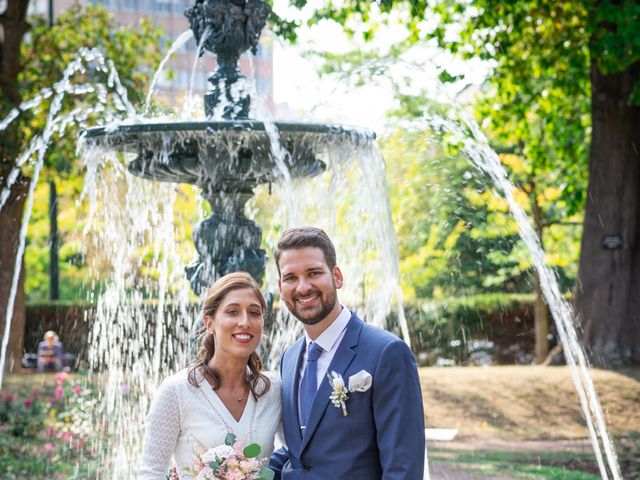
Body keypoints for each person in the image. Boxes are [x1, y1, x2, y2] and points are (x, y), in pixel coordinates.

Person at [269, 226, 425, 479]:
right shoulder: (289, 357)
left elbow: (403, 467)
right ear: (280, 286)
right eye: (291, 278)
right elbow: (298, 451)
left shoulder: (387, 353)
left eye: (314, 273)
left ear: (337, 276)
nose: (303, 287)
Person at [138, 272, 281, 479]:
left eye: (254, 313)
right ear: (209, 322)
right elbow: (151, 472)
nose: (245, 322)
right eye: (232, 312)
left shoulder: (273, 390)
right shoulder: (176, 391)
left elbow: (302, 454)